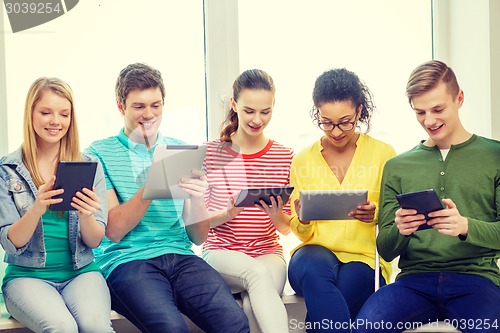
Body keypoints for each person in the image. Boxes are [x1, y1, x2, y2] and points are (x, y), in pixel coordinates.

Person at [85, 62, 249, 333]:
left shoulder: (180, 150)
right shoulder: (98, 153)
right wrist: (152, 184)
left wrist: (196, 198)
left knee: (234, 322)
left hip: (180, 255)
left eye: (156, 105)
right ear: (120, 106)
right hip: (127, 261)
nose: (148, 114)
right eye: (139, 106)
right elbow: (113, 231)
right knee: (171, 328)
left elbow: (198, 237)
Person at [353, 60, 500, 333]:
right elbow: (385, 248)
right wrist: (400, 230)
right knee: (365, 327)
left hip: (477, 281)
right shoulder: (397, 166)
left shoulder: (495, 156)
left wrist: (465, 226)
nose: (429, 121)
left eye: (438, 109)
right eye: (420, 112)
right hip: (414, 282)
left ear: (460, 98)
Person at [0, 77, 113, 333]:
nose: (56, 121)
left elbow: (95, 241)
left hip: (81, 272)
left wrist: (86, 215)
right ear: (30, 114)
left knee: (97, 327)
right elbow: (10, 242)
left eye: (64, 114)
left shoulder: (89, 165)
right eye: (46, 112)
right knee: (62, 328)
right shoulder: (7, 170)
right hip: (27, 277)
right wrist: (37, 208)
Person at [287, 68, 396, 332]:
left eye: (345, 121)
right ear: (317, 114)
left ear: (359, 111)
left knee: (338, 297)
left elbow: (396, 218)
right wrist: (302, 219)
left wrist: (376, 213)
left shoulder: (384, 154)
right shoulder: (303, 160)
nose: (336, 131)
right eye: (327, 122)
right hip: (312, 254)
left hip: (364, 259)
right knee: (313, 270)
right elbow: (300, 231)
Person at [202, 69, 293, 333]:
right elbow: (198, 227)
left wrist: (277, 216)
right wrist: (228, 212)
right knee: (256, 275)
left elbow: (287, 228)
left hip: (267, 253)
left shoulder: (285, 156)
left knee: (253, 305)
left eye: (265, 111)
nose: (257, 119)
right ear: (234, 104)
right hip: (221, 253)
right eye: (249, 110)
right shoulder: (212, 153)